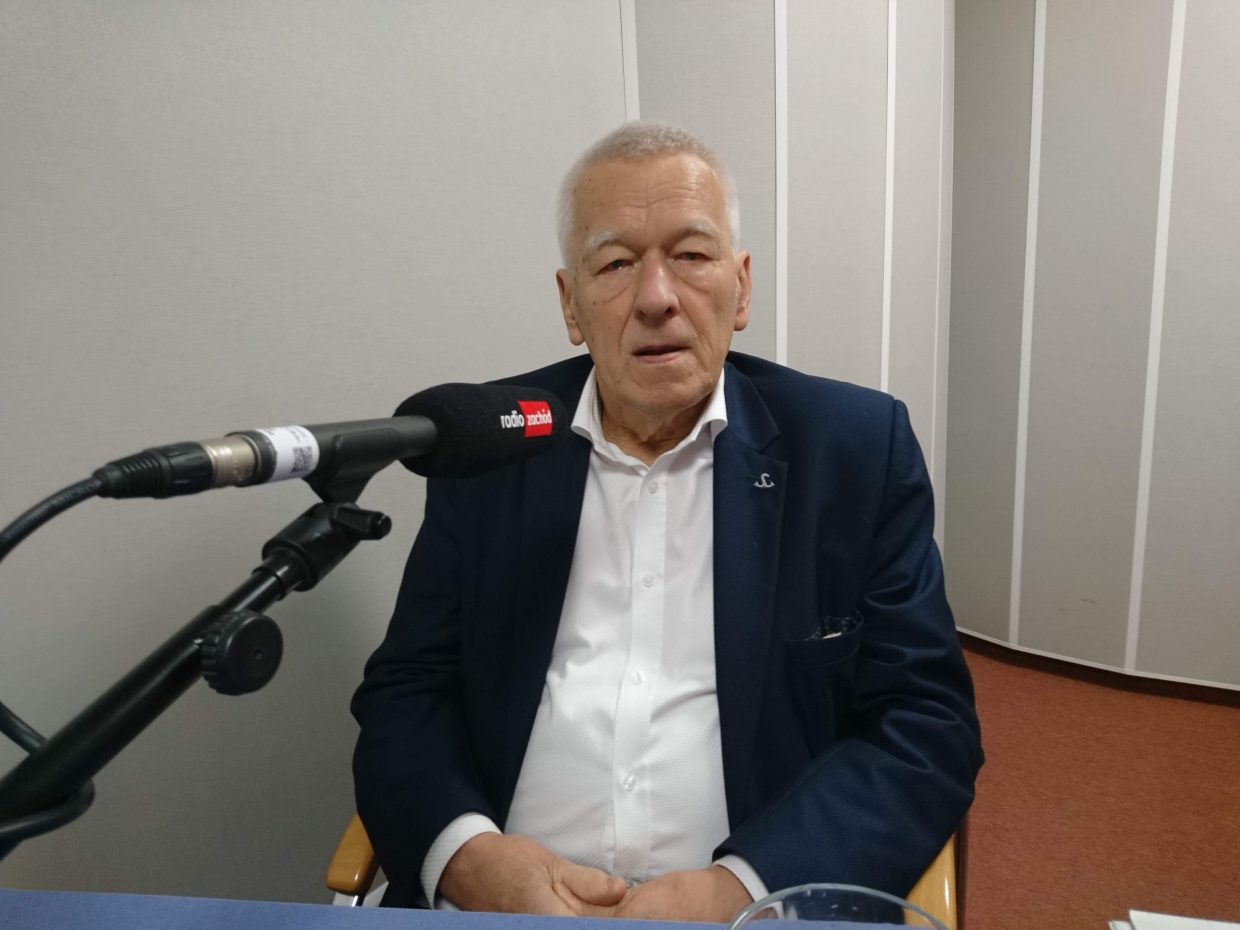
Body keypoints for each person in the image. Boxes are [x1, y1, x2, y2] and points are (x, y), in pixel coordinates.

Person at [351, 122, 983, 921]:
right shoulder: (491, 445)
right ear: (570, 304)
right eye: (616, 263)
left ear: (741, 288)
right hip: (498, 908)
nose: (656, 297)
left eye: (690, 254)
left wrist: (741, 888)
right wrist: (470, 858)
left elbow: (926, 723)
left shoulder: (852, 451)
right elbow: (408, 692)